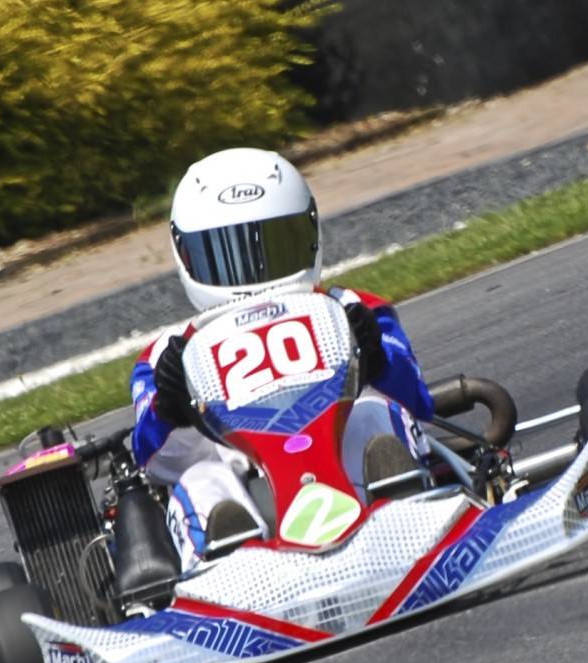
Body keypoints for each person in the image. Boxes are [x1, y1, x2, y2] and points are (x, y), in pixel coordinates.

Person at [129, 147, 435, 571]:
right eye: (226, 253)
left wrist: (378, 360)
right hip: (249, 486)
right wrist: (170, 407)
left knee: (371, 416)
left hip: (347, 463)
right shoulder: (169, 355)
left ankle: (405, 506)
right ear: (188, 257)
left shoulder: (352, 309)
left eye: (271, 243)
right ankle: (229, 564)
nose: (252, 269)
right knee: (203, 478)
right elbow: (153, 459)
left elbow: (417, 401)